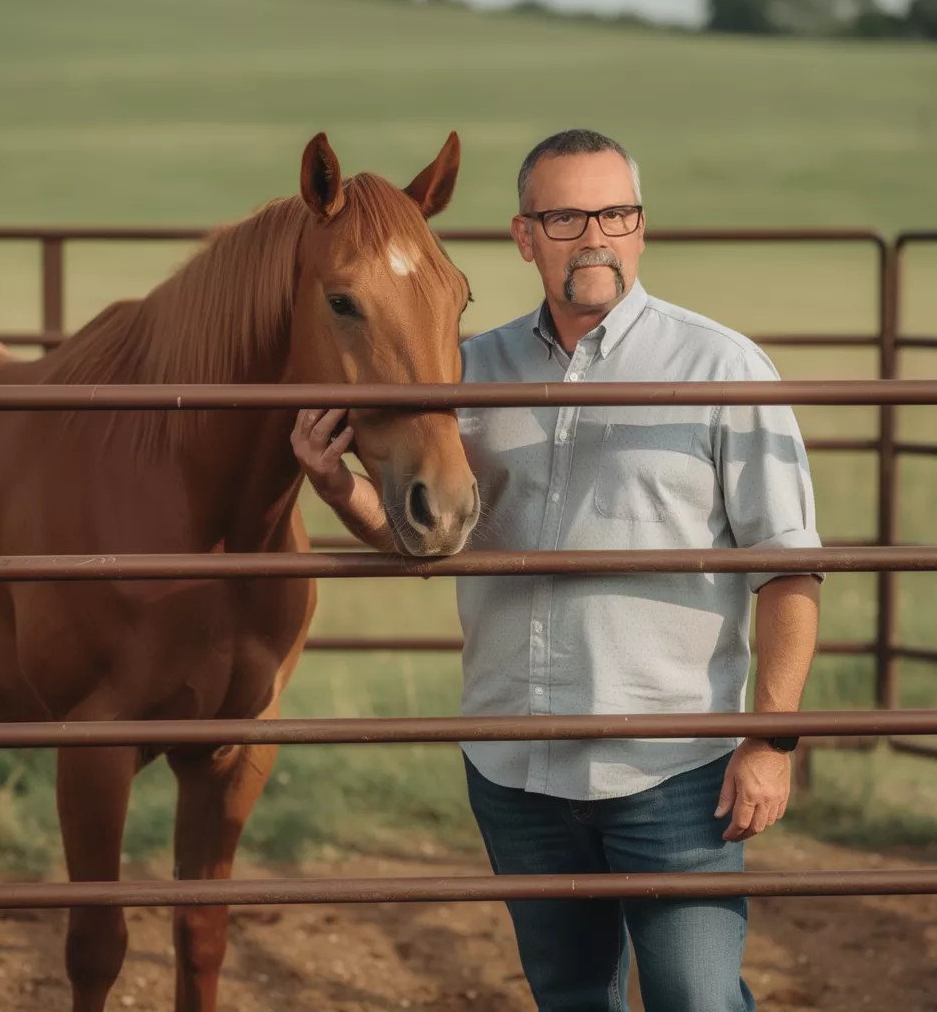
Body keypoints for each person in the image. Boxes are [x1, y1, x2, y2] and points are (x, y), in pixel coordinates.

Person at [290, 129, 822, 1012]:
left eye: (615, 214)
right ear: (524, 235)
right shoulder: (471, 370)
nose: (594, 238)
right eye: (566, 216)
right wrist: (337, 490)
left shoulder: (721, 368)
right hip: (517, 767)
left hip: (673, 768)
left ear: (641, 228)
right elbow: (429, 536)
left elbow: (790, 572)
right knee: (571, 998)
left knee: (697, 998)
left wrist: (770, 743)